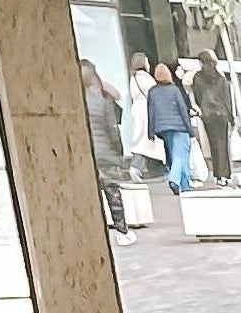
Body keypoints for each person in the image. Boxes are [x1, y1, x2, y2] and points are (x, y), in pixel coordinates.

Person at [81, 62, 136, 246]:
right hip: (105, 154)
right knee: (112, 192)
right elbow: (113, 131)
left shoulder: (74, 102)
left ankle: (93, 233)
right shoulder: (102, 101)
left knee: (90, 195)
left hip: (85, 155)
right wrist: (118, 154)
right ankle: (122, 231)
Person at [145, 62, 195, 193]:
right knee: (181, 155)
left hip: (162, 129)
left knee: (176, 155)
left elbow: (151, 112)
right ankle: (174, 179)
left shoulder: (152, 92)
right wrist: (190, 129)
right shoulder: (174, 89)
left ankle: (184, 185)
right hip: (179, 127)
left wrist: (151, 131)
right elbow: (183, 110)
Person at [189, 51, 235, 186]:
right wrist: (231, 118)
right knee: (223, 145)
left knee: (213, 145)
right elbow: (227, 100)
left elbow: (197, 96)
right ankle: (225, 175)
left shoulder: (198, 77)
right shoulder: (220, 78)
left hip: (208, 114)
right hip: (221, 114)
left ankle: (217, 174)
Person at [123, 52, 157, 180]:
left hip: (137, 110)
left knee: (141, 139)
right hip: (146, 110)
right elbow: (154, 94)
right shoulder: (146, 78)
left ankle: (142, 167)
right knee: (145, 140)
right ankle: (137, 166)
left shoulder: (133, 78)